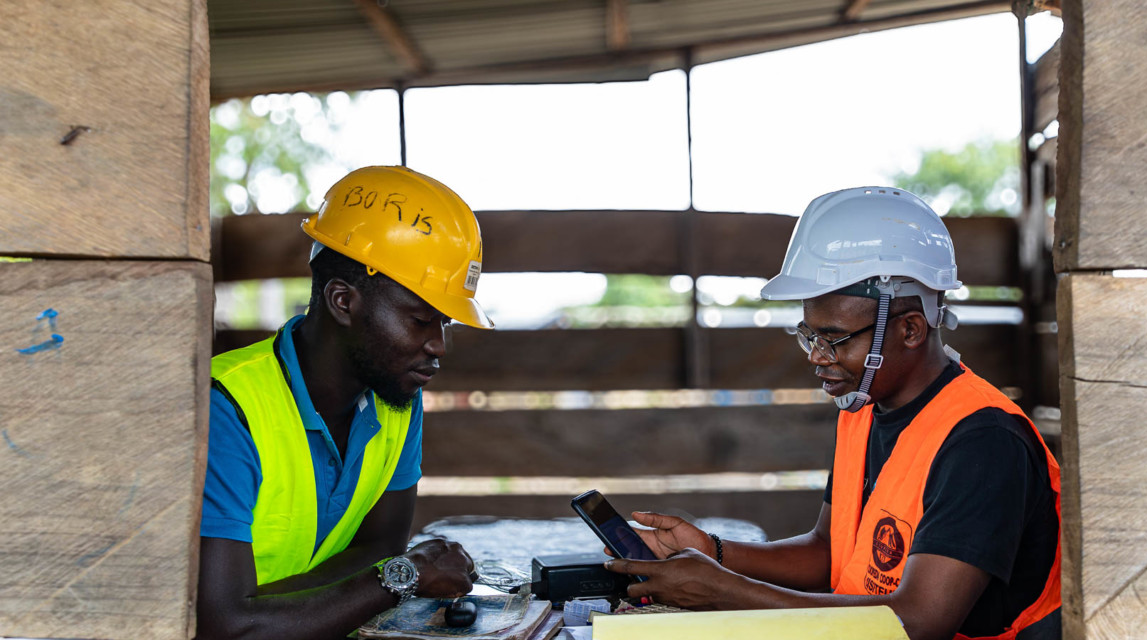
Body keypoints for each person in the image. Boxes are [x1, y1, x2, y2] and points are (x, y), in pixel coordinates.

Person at [604, 187, 1062, 640]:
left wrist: (726, 592)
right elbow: (828, 551)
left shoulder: (983, 440)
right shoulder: (863, 409)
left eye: (834, 339)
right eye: (808, 336)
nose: (816, 356)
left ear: (910, 329)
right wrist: (713, 552)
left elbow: (919, 621)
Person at [196, 166, 494, 640]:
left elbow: (380, 547)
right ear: (342, 301)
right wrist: (401, 578)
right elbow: (225, 628)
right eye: (420, 320)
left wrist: (281, 611)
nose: (438, 345)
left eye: (446, 325)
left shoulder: (396, 396)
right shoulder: (226, 408)